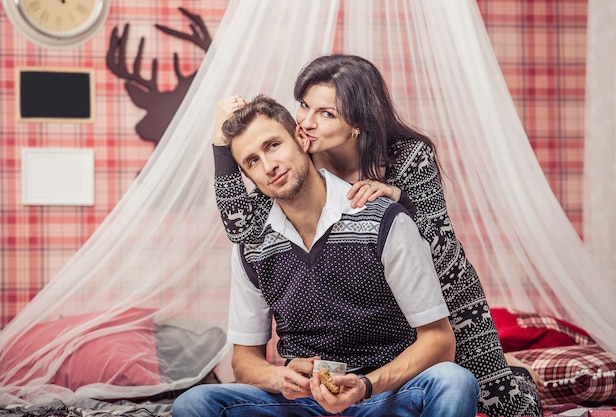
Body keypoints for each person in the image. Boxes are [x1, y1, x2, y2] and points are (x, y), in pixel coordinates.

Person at [212, 54, 542, 417]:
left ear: (357, 122)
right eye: (304, 106)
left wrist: (400, 201)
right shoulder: (306, 158)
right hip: (372, 322)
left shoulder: (407, 156)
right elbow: (240, 226)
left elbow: (441, 245)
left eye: (326, 113)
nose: (306, 122)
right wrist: (222, 148)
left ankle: (520, 377)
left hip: (447, 289)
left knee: (497, 400)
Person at [174, 95, 479, 417]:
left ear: (301, 139)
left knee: (453, 380)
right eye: (252, 161)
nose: (268, 166)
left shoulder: (383, 220)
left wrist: (366, 385)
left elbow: (439, 341)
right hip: (304, 405)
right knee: (195, 403)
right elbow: (244, 361)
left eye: (273, 145)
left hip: (383, 396)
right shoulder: (253, 245)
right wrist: (279, 377)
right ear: (248, 178)